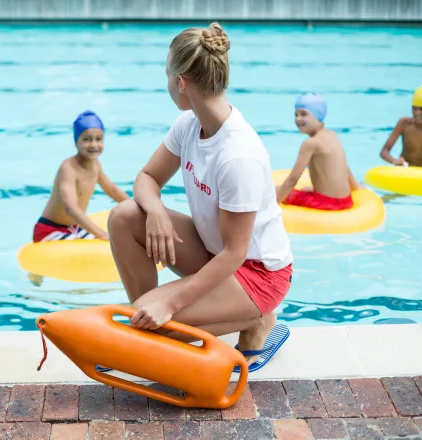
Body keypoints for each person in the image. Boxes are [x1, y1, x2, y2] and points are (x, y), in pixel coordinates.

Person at [105, 23, 293, 371]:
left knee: (146, 326)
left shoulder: (239, 156)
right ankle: (152, 322)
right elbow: (146, 178)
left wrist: (172, 303)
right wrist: (156, 210)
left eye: (166, 76)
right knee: (125, 216)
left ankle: (255, 319)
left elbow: (236, 253)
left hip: (255, 273)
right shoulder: (188, 125)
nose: (166, 85)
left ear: (181, 82)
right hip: (213, 253)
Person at [28, 110, 129, 286]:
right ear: (76, 142)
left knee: (118, 239)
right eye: (87, 139)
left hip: (72, 228)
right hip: (49, 230)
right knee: (105, 242)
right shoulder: (68, 168)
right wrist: (100, 233)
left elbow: (111, 189)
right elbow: (71, 208)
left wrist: (134, 206)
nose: (94, 144)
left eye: (99, 139)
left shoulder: (95, 165)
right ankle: (35, 278)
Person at [276, 93, 361, 211]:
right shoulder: (332, 135)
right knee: (306, 188)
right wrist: (355, 187)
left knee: (275, 190)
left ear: (318, 116)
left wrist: (274, 205)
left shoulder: (310, 143)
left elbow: (292, 180)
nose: (298, 119)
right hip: (346, 201)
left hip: (325, 203)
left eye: (304, 114)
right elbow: (344, 167)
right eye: (296, 114)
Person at [379, 86, 422, 167]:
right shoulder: (404, 123)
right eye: (414, 108)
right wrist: (394, 160)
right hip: (405, 170)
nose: (417, 113)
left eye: (421, 109)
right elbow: (384, 151)